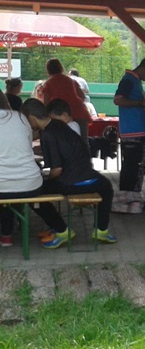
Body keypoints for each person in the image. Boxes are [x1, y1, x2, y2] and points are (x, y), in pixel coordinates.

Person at [22, 99, 118, 246]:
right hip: (89, 177)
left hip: (71, 182)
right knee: (106, 187)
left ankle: (61, 230)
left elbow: (57, 170)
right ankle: (101, 230)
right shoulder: (59, 125)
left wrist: (44, 180)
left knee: (32, 193)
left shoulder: (47, 134)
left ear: (31, 118)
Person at [0, 92, 71, 249]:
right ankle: (7, 235)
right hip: (29, 182)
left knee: (5, 187)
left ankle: (6, 235)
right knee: (18, 188)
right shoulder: (20, 119)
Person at [114, 57, 145, 192]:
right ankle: (128, 199)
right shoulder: (128, 80)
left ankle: (133, 199)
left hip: (137, 129)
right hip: (132, 131)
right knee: (132, 168)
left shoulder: (136, 81)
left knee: (135, 167)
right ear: (143, 69)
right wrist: (140, 103)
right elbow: (118, 100)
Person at [41, 58, 91, 142]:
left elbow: (46, 104)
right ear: (61, 68)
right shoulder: (71, 80)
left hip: (61, 116)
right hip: (80, 112)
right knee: (83, 142)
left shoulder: (48, 83)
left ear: (48, 70)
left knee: (64, 143)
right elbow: (82, 96)